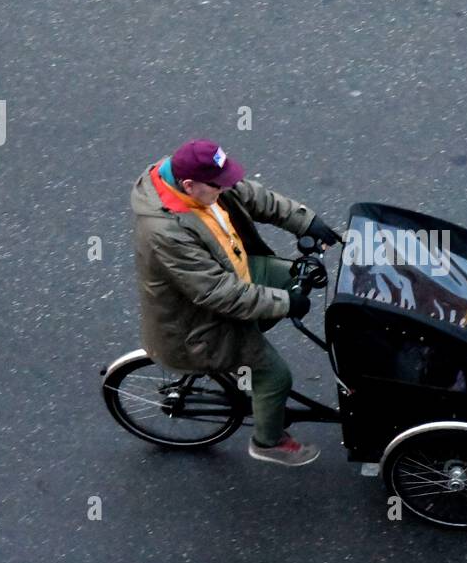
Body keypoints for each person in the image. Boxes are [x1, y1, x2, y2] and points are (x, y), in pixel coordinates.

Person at [130, 140, 342, 466]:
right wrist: (285, 304)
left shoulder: (195, 178)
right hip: (201, 321)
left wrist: (304, 220)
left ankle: (252, 340)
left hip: (237, 271)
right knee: (275, 376)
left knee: (298, 276)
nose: (227, 187)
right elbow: (217, 293)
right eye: (220, 185)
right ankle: (268, 442)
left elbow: (251, 195)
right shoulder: (167, 232)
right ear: (189, 186)